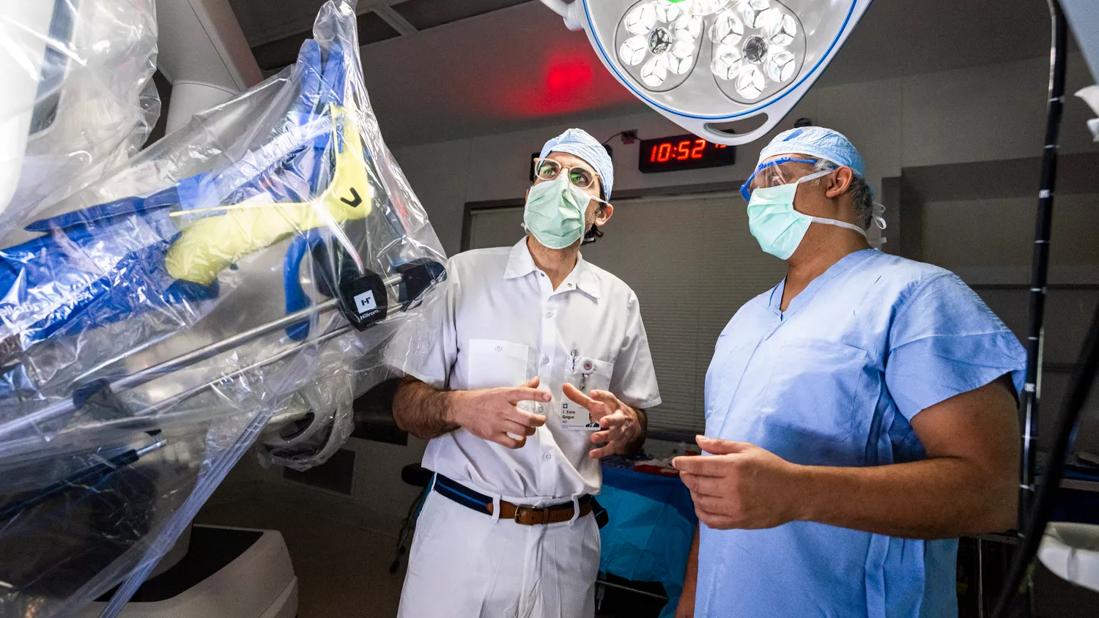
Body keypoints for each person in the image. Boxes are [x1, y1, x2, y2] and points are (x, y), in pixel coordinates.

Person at [673, 127, 1026, 617]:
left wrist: (797, 492)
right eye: (752, 188)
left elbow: (989, 492)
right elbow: (722, 490)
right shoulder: (746, 320)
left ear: (836, 181)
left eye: (774, 178)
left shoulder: (917, 296)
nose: (757, 196)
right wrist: (692, 603)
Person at [390, 128, 661, 617]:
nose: (559, 184)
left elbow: (637, 421)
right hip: (464, 536)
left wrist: (627, 427)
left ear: (602, 213)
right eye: (548, 171)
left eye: (579, 177)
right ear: (531, 190)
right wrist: (459, 406)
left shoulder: (618, 303)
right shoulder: (463, 276)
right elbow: (406, 406)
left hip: (567, 547)